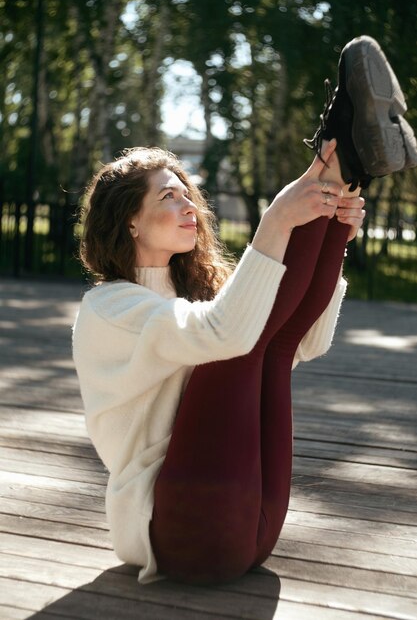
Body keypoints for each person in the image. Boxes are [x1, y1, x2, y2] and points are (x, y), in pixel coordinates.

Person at [72, 35, 416, 585]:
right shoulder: (110, 307)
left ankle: (344, 172)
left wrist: (336, 234)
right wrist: (277, 223)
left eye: (187, 193)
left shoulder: (200, 305)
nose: (188, 205)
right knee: (245, 339)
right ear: (128, 222)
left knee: (269, 349)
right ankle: (335, 156)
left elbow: (303, 343)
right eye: (167, 196)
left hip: (248, 517)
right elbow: (231, 335)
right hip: (180, 523)